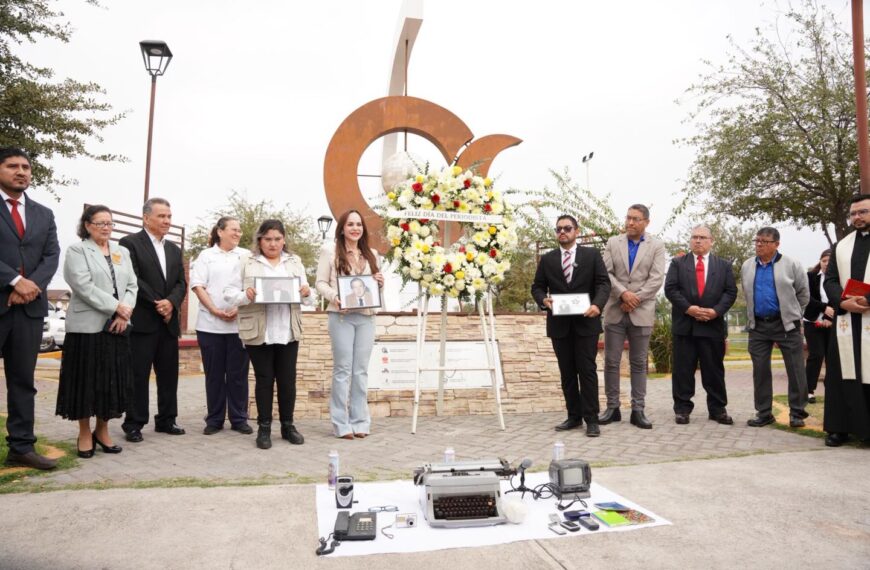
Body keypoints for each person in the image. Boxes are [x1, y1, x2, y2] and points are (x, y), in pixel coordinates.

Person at [55, 206, 137, 457]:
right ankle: (83, 433)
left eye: (109, 223)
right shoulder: (77, 250)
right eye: (100, 223)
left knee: (110, 382)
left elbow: (132, 284)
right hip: (86, 327)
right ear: (87, 225)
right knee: (85, 381)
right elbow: (82, 285)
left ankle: (102, 430)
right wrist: (117, 307)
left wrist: (125, 312)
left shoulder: (121, 251)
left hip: (117, 326)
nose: (106, 227)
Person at [224, 220, 313, 449]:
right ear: (259, 240)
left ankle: (288, 426)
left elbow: (309, 298)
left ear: (284, 240)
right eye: (267, 239)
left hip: (287, 330)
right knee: (264, 380)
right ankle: (264, 428)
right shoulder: (247, 261)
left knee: (287, 380)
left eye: (277, 239)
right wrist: (246, 295)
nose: (273, 244)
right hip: (259, 330)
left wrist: (306, 292)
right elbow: (228, 293)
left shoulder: (294, 262)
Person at [0, 148, 60, 470]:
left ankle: (21, 448)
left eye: (25, 167)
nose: (20, 171)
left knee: (23, 381)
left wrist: (29, 286)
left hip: (28, 311)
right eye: (12, 166)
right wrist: (12, 280)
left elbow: (52, 256)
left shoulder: (44, 213)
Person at [531, 214, 611, 437]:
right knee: (567, 372)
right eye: (558, 229)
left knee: (587, 371)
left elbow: (604, 283)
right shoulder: (548, 259)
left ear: (576, 231)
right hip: (559, 325)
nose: (562, 232)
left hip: (587, 322)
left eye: (567, 228)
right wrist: (543, 300)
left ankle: (591, 419)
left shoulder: (592, 255)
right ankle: (573, 417)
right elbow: (537, 287)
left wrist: (597, 305)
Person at [119, 198, 188, 442]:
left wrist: (172, 302)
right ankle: (134, 423)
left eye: (169, 216)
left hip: (168, 322)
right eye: (161, 216)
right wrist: (158, 303)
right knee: (138, 375)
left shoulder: (173, 248)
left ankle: (167, 419)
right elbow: (132, 278)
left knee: (169, 374)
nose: (167, 221)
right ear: (146, 217)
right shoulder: (129, 243)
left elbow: (181, 282)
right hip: (144, 321)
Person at [316, 210, 384, 439]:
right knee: (343, 370)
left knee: (360, 371)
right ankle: (340, 423)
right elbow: (320, 283)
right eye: (350, 224)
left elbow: (372, 289)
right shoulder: (329, 251)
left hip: (366, 317)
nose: (355, 228)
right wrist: (335, 297)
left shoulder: (372, 253)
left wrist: (380, 283)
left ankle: (360, 420)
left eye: (358, 224)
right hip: (341, 316)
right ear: (342, 228)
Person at [599, 204, 666, 429]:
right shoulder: (613, 243)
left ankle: (638, 410)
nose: (630, 223)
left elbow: (656, 279)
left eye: (636, 219)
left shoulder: (657, 245)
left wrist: (635, 299)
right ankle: (612, 407)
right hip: (615, 309)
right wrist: (623, 295)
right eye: (628, 218)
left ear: (646, 222)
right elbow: (605, 273)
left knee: (639, 363)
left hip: (641, 311)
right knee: (611, 362)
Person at [664, 225, 737, 425]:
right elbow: (671, 289)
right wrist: (689, 309)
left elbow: (730, 292)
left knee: (714, 370)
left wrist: (715, 311)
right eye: (694, 237)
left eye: (702, 237)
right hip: (685, 327)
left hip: (712, 327)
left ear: (711, 241)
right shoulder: (678, 263)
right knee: (682, 371)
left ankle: (717, 409)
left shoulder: (723, 265)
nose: (698, 241)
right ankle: (682, 409)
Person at [741, 227, 810, 428]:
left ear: (776, 245)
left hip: (786, 324)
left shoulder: (792, 264)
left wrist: (793, 316)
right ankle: (764, 413)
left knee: (796, 369)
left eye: (764, 241)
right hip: (758, 326)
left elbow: (803, 295)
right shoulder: (747, 266)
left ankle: (797, 412)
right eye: (757, 241)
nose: (759, 244)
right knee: (760, 370)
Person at [190, 216, 252, 436]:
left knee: (238, 375)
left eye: (239, 230)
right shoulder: (206, 256)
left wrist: (238, 307)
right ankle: (214, 419)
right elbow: (198, 286)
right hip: (209, 326)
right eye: (233, 229)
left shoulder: (246, 256)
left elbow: (251, 287)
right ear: (220, 232)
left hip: (238, 326)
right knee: (214, 375)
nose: (237, 233)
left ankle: (239, 418)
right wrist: (215, 310)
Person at [822, 195, 870, 447]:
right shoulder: (842, 245)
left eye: (862, 212)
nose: (857, 217)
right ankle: (839, 428)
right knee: (841, 375)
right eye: (853, 214)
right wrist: (841, 302)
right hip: (846, 323)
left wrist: (867, 300)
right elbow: (829, 280)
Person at [803, 249, 834, 404]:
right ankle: (808, 390)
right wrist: (823, 308)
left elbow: (840, 297)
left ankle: (832, 390)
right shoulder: (809, 277)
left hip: (834, 323)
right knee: (816, 355)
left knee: (832, 357)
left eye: (829, 261)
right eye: (824, 261)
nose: (826, 264)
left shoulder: (838, 279)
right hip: (812, 322)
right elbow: (806, 297)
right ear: (820, 262)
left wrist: (829, 317)